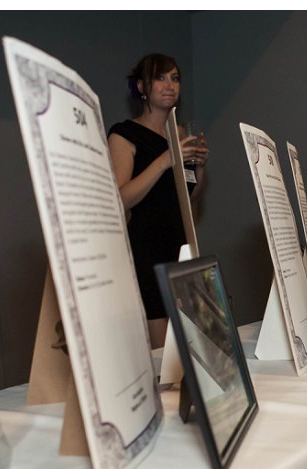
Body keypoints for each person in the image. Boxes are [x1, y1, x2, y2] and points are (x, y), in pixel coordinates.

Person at [108, 53, 209, 349]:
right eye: (160, 78)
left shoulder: (181, 135)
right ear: (142, 86)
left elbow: (189, 200)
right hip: (147, 249)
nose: (169, 85)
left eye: (175, 78)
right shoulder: (124, 134)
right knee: (162, 354)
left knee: (192, 348)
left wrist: (199, 167)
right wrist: (166, 160)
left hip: (180, 247)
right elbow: (120, 199)